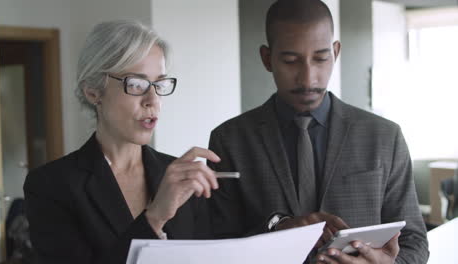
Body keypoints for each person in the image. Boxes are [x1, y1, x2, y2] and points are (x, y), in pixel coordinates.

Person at [207, 1, 428, 263]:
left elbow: (414, 241)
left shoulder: (384, 137)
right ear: (267, 58)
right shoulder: (230, 139)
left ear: (335, 52)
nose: (308, 78)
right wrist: (276, 229)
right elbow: (217, 244)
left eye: (321, 58)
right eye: (291, 61)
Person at [23, 20, 220, 264]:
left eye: (159, 84)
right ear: (93, 91)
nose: (153, 99)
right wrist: (155, 217)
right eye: (136, 84)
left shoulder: (182, 178)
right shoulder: (50, 185)